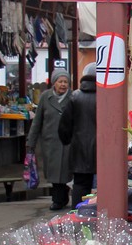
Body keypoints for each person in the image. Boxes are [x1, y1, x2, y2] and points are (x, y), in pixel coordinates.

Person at [27, 68, 72, 210]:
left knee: (65, 171)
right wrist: (31, 142)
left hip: (68, 141)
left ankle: (60, 198)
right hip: (50, 141)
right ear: (54, 83)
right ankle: (59, 197)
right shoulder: (45, 97)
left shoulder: (73, 97)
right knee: (53, 173)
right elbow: (37, 121)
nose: (63, 84)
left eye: (65, 82)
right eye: (60, 81)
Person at [59, 63, 97, 208]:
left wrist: (68, 141)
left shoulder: (75, 97)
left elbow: (64, 126)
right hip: (101, 149)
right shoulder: (106, 97)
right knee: (105, 185)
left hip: (79, 149)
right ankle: (100, 215)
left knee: (80, 184)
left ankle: (78, 215)